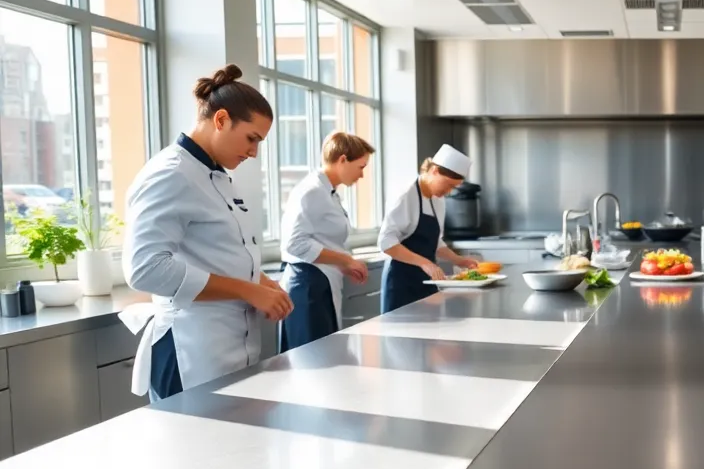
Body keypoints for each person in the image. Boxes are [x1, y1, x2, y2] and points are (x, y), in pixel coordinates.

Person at [120, 64, 293, 402]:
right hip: (191, 352)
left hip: (225, 348)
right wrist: (247, 289)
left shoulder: (214, 176)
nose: (254, 152)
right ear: (221, 120)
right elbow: (145, 268)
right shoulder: (171, 173)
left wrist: (257, 280)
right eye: (251, 138)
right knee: (196, 453)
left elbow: (215, 252)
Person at [277, 132, 374, 352]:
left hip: (320, 283)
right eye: (361, 167)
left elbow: (321, 240)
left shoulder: (328, 193)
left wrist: (342, 264)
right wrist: (345, 260)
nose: (362, 175)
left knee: (326, 357)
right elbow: (295, 244)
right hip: (308, 286)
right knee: (312, 362)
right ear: (342, 160)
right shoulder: (311, 192)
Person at [378, 144, 478, 313]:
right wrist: (425, 263)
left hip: (427, 282)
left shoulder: (437, 200)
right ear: (434, 171)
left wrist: (459, 260)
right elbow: (386, 242)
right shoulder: (405, 195)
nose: (448, 192)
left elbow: (435, 242)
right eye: (448, 185)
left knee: (430, 336)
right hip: (401, 283)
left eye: (453, 188)